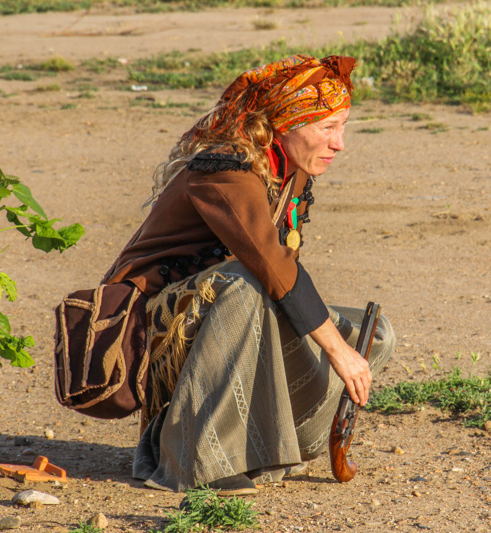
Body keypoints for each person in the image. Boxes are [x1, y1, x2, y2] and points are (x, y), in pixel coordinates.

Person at [101, 54, 395, 496]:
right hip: (153, 332)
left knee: (374, 335)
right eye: (327, 128)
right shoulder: (225, 169)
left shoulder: (288, 171)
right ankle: (196, 462)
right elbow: (270, 265)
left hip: (227, 308)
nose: (340, 143)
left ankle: (277, 446)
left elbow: (281, 273)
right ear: (285, 124)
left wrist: (345, 345)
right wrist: (335, 350)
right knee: (246, 283)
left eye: (344, 126)